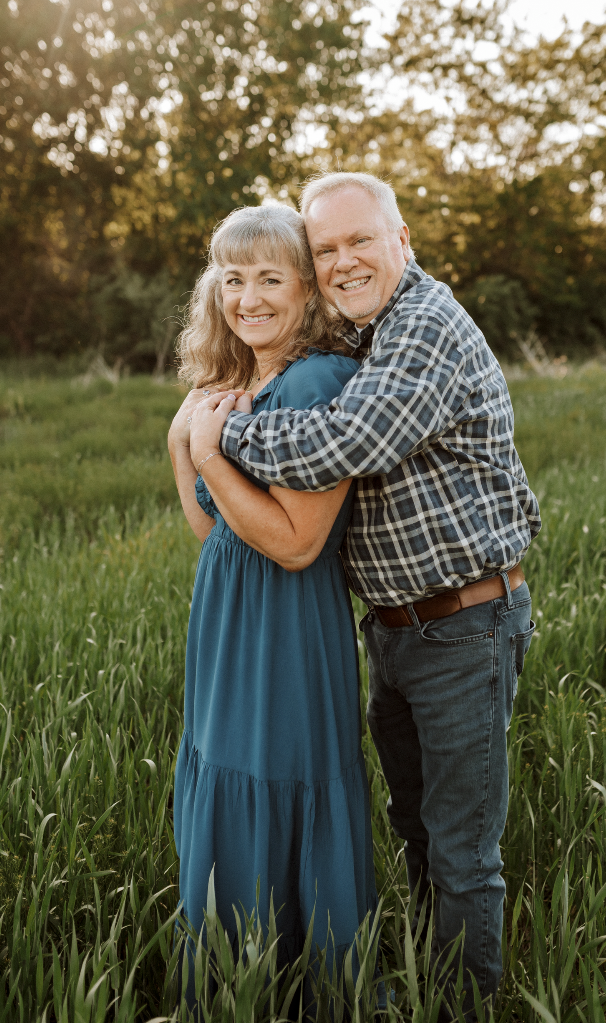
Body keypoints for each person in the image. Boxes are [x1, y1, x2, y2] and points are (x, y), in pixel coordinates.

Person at [196, 172, 541, 1011]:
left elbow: (343, 442)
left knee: (461, 849)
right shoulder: (364, 336)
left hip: (465, 621)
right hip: (395, 627)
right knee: (416, 827)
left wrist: (216, 436)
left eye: (361, 241)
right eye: (327, 248)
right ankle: (431, 982)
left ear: (403, 240)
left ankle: (464, 1003)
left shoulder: (420, 328)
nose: (345, 260)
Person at [167, 204, 377, 1009]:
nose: (246, 297)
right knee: (221, 772)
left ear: (307, 289)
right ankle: (230, 986)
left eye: (268, 279)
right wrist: (184, 441)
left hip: (287, 622)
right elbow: (211, 528)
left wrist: (208, 453)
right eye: (231, 278)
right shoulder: (240, 382)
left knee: (275, 776)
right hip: (227, 611)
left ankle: (300, 990)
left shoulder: (317, 381)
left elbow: (295, 542)